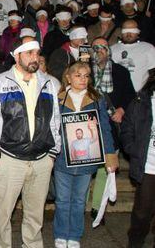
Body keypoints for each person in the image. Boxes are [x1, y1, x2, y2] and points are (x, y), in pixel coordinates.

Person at [0, 38, 61, 247]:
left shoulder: (49, 83)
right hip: (9, 160)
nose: (36, 57)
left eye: (37, 53)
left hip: (42, 160)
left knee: (35, 216)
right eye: (30, 53)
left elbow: (55, 121)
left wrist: (53, 153)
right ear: (17, 56)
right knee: (2, 215)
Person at [54, 61, 119, 248]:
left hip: (87, 159)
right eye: (78, 75)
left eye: (86, 76)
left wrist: (109, 156)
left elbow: (105, 129)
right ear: (68, 77)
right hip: (62, 159)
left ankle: (74, 235)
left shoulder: (96, 98)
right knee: (63, 199)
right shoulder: (58, 98)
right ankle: (60, 234)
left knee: (79, 200)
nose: (83, 79)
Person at [89, 37, 135, 224]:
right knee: (86, 169)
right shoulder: (84, 71)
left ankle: (97, 207)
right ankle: (79, 203)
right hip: (89, 126)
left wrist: (122, 109)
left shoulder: (121, 72)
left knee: (105, 169)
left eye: (103, 48)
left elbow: (130, 95)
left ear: (109, 51)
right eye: (95, 47)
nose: (99, 51)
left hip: (112, 128)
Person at [121, 73, 155, 248]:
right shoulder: (141, 103)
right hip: (149, 165)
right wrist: (134, 150)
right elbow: (126, 129)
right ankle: (135, 242)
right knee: (143, 212)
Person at [111, 19, 155, 92]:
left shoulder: (148, 48)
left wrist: (145, 90)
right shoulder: (112, 49)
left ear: (138, 32)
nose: (128, 34)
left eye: (132, 30)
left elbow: (153, 72)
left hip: (140, 95)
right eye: (125, 31)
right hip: (118, 94)